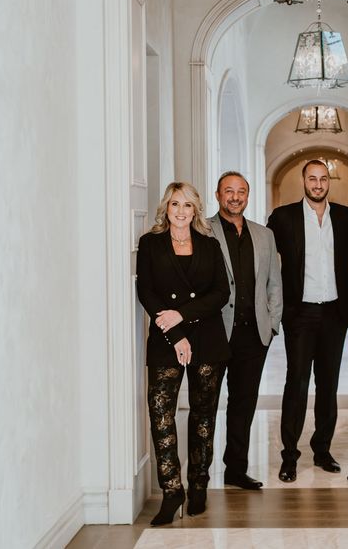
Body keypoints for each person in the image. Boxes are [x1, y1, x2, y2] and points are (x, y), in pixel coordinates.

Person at [136, 182, 231, 525]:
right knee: (161, 415)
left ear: (195, 211)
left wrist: (185, 315)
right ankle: (172, 489)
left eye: (187, 206)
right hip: (166, 340)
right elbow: (146, 291)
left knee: (203, 415)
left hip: (207, 338)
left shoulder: (209, 244)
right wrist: (176, 333)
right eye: (175, 204)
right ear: (167, 207)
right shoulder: (150, 244)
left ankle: (199, 484)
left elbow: (222, 291)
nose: (180, 211)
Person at [266, 160, 348, 482]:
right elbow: (265, 262)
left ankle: (322, 450)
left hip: (334, 313)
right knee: (296, 384)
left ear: (328, 182)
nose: (318, 184)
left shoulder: (346, 217)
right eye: (312, 179)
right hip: (300, 313)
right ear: (303, 181)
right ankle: (289, 456)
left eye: (323, 179)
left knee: (328, 385)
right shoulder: (283, 217)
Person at [208, 171, 282, 490]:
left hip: (253, 335)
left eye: (241, 191)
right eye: (229, 191)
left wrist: (273, 322)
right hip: (214, 333)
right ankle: (199, 473)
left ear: (247, 196)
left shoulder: (264, 235)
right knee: (206, 404)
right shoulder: (202, 230)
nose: (235, 196)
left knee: (243, 403)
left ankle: (235, 469)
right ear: (218, 195)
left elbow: (273, 282)